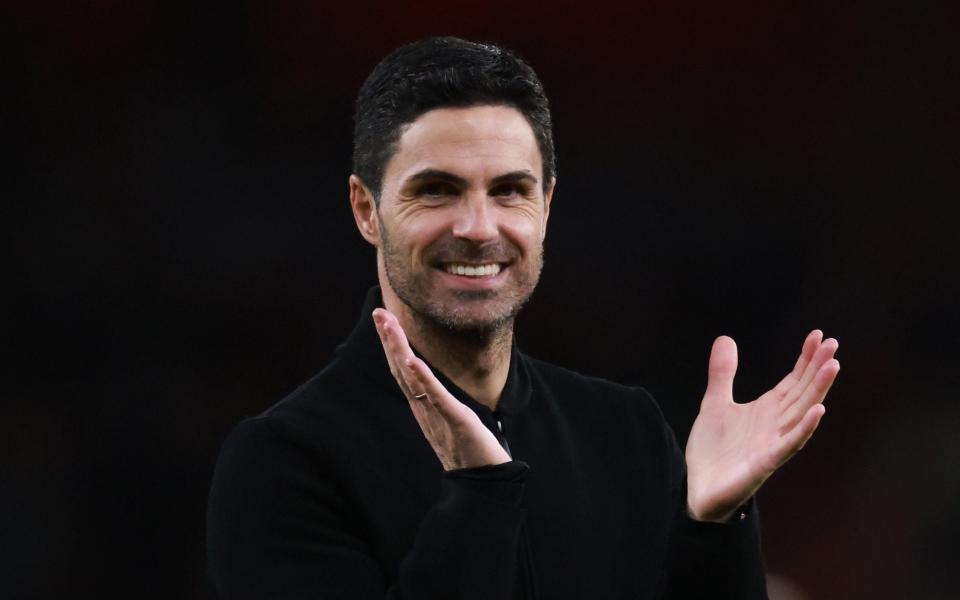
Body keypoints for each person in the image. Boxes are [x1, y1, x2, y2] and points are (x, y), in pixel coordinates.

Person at [207, 36, 840, 599]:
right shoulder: (284, 463)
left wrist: (715, 529)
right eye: (436, 190)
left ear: (548, 205)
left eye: (509, 190)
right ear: (366, 209)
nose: (479, 228)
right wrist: (481, 498)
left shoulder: (626, 432)